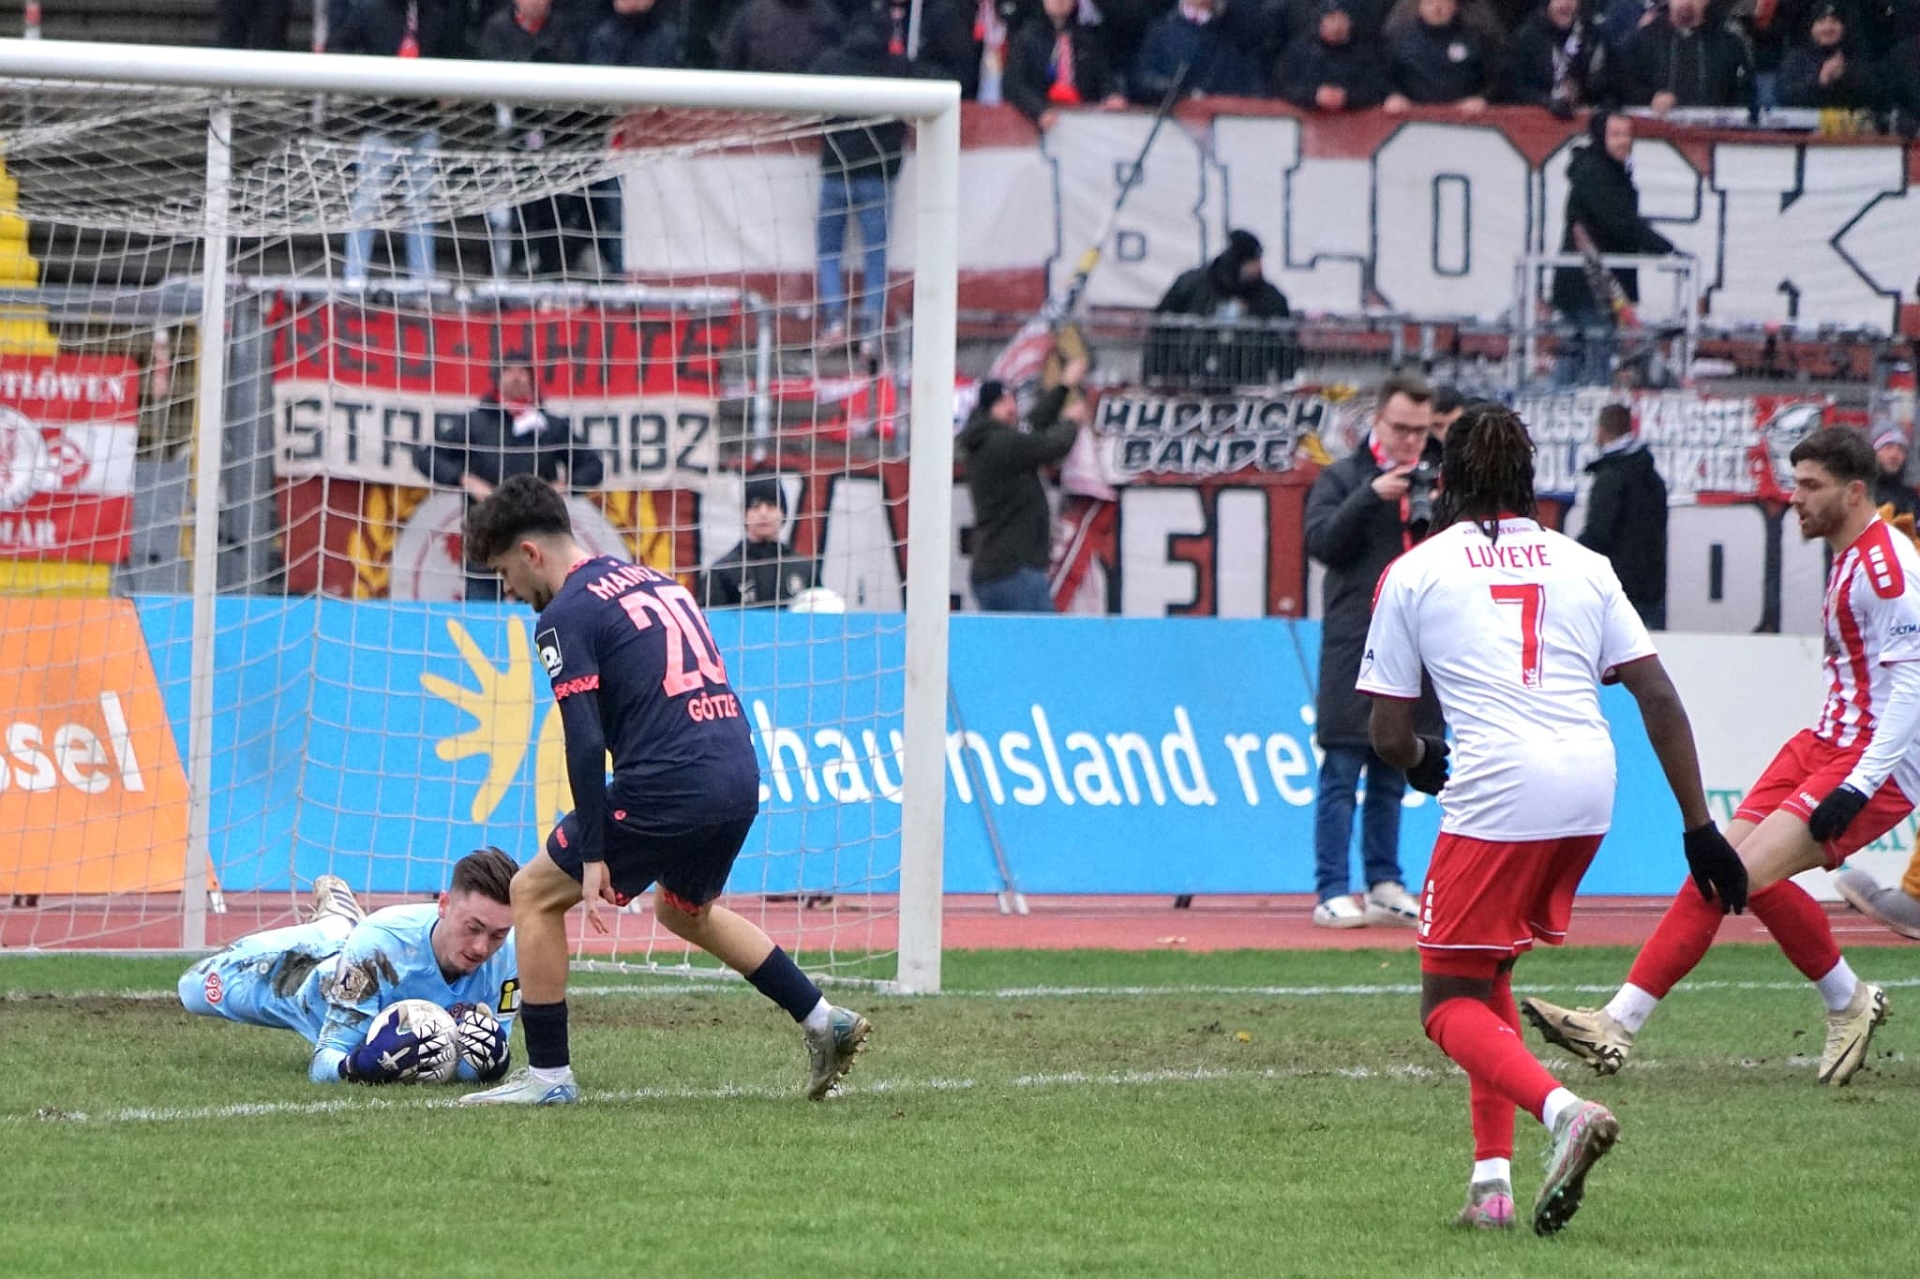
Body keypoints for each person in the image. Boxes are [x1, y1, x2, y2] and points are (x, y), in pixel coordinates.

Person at [1360, 402, 1748, 1234]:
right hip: (1589, 788)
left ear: (1445, 480)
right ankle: (1491, 1187)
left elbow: (1388, 734)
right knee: (1489, 974)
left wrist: (1422, 758)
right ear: (1531, 483)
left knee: (1444, 1003)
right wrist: (1699, 827)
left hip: (1500, 791)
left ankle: (1565, 1111)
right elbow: (1657, 694)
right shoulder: (1585, 563)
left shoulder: (1417, 570)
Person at [457, 474, 870, 1105]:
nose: (510, 590)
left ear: (531, 552)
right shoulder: (656, 581)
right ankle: (822, 1019)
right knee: (682, 910)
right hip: (737, 770)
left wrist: (594, 855)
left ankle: (548, 1078)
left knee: (532, 893)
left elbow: (584, 741)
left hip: (670, 781)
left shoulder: (566, 614)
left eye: (506, 572)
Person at [1525, 427, 1914, 1090]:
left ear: (1854, 492)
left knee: (1731, 875)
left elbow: (1912, 683)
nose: (1795, 498)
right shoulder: (1854, 555)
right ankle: (1847, 999)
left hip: (1868, 762)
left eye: (1810, 486)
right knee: (1722, 866)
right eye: (1794, 483)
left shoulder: (1885, 567)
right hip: (1823, 742)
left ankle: (1618, 1024)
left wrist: (1861, 782)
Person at [177, 850, 521, 1086]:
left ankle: (343, 925)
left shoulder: (512, 954)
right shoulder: (381, 945)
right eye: (472, 928)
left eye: (497, 934)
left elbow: (483, 1056)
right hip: (311, 987)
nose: (482, 947)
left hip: (360, 956)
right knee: (193, 990)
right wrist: (357, 1066)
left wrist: (491, 1063)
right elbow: (323, 1063)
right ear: (443, 904)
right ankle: (336, 925)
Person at [1302, 371, 1443, 929]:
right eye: (1401, 428)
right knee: (1341, 768)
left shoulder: (1438, 480)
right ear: (1378, 420)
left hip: (1415, 646)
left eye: (1420, 430)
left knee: (1394, 767)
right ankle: (1332, 888)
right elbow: (1320, 543)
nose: (1411, 440)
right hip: (1355, 643)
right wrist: (1369, 497)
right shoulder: (1342, 477)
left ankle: (1384, 882)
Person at [414, 356, 606, 601]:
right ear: (499, 377)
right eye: (509, 371)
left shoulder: (552, 426)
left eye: (522, 371)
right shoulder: (475, 423)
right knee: (481, 614)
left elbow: (594, 466)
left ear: (532, 379)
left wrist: (563, 487)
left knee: (544, 612)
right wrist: (464, 479)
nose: (516, 377)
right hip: (487, 535)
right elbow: (426, 456)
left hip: (539, 539)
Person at [331, 0, 467, 289]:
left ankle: (422, 281)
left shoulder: (436, 14)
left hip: (423, 124)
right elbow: (338, 47)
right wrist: (365, 81)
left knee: (421, 206)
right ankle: (354, 279)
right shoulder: (369, 11)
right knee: (366, 203)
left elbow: (455, 54)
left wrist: (445, 92)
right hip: (380, 124)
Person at [1550, 112, 1675, 388]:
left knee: (1573, 356)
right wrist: (1666, 249)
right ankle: (1588, 408)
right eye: (1616, 135)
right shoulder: (1597, 173)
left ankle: (1553, 406)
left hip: (1581, 286)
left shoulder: (1604, 171)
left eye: (1627, 135)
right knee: (1595, 356)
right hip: (1590, 287)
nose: (1624, 141)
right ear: (1600, 137)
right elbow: (1620, 222)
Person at [958, 358, 1089, 612]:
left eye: (1012, 400)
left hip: (998, 572)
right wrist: (1071, 422)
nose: (1012, 407)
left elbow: (1033, 424)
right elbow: (1051, 447)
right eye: (1004, 402)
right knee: (1041, 636)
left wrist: (1064, 386)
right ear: (990, 408)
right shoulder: (1001, 443)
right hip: (1013, 571)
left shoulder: (990, 440)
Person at [811, 18, 909, 348]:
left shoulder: (831, 63)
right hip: (877, 174)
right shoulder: (896, 68)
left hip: (836, 171)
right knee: (875, 256)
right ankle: (870, 335)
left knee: (828, 251)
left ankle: (835, 322)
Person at [1144, 229, 1295, 390]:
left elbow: (1284, 342)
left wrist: (1287, 382)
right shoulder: (1192, 285)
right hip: (1190, 379)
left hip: (1247, 382)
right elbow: (1161, 327)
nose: (1258, 267)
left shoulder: (1269, 297)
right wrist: (1158, 376)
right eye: (1253, 261)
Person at [1577, 403, 1667, 629]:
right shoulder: (1651, 474)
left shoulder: (1611, 476)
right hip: (1651, 586)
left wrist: (1567, 554)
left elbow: (1598, 534)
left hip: (1618, 588)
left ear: (1601, 430)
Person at [696, 475, 821, 608]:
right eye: (755, 506)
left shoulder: (804, 569)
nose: (763, 513)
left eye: (771, 506)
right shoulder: (723, 571)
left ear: (783, 514)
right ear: (745, 515)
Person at [1004, 0, 1130, 127]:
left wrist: (1112, 95)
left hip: (1082, 120)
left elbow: (1104, 76)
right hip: (1041, 120)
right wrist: (1039, 110)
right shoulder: (1025, 38)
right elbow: (1014, 84)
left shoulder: (1086, 40)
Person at [1616, 0, 1753, 112]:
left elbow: (1742, 92)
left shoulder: (1728, 42)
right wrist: (1650, 98)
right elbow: (1624, 84)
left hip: (1713, 129)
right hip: (1656, 128)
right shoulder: (1643, 39)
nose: (1686, 2)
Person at [1273, 0, 1391, 113]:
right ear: (1321, 22)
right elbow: (1283, 85)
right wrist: (1314, 96)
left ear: (1350, 22)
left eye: (1341, 19)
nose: (1336, 25)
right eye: (1331, 19)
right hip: (1307, 118)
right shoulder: (1300, 51)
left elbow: (1378, 88)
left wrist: (1348, 97)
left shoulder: (1365, 54)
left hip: (1354, 119)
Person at [1383, 0, 1495, 114]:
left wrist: (1483, 98)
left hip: (1466, 115)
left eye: (1443, 2)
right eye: (1430, 2)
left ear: (1454, 6)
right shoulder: (1400, 39)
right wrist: (1392, 95)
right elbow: (1385, 77)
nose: (1437, 8)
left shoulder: (1476, 39)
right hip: (1414, 115)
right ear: (1419, 6)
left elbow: (1495, 77)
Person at [1504, 0, 1610, 111]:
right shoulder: (1527, 37)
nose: (1566, 3)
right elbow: (1512, 87)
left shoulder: (1591, 36)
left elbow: (1605, 88)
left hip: (1580, 115)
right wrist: (1545, 101)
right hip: (1536, 115)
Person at [1776, 2, 1885, 109]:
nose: (1827, 28)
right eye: (1821, 22)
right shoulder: (1796, 58)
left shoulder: (1857, 56)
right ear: (1812, 28)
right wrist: (1820, 81)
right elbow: (1784, 96)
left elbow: (1877, 96)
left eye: (1834, 21)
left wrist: (1845, 77)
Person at [1871, 426, 1920, 520]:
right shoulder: (1861, 491)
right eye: (1888, 448)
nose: (1894, 455)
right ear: (1875, 452)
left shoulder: (1911, 497)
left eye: (1901, 450)